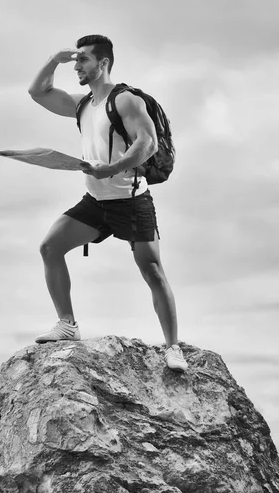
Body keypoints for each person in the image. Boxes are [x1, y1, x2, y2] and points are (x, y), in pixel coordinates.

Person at [28, 34, 187, 371]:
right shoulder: (83, 104)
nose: (77, 66)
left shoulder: (126, 100)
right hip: (96, 201)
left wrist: (113, 168)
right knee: (50, 247)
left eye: (83, 59)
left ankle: (173, 348)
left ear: (103, 63)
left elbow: (147, 144)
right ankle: (67, 324)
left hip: (131, 201)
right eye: (75, 60)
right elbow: (37, 92)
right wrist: (54, 60)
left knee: (153, 271)